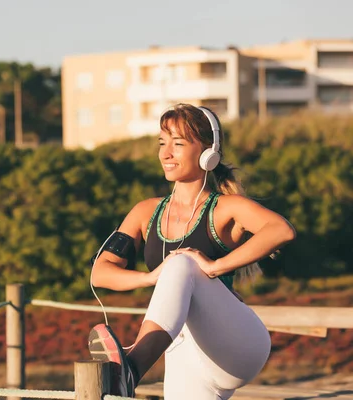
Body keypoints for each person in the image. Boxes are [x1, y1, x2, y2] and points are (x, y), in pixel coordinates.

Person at [87, 103, 297, 399]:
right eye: (162, 143)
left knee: (182, 262)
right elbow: (100, 272)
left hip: (235, 345)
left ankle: (131, 368)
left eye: (178, 143)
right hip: (183, 350)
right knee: (177, 265)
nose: (165, 153)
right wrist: (151, 277)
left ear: (208, 153)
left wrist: (215, 267)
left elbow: (280, 230)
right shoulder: (145, 211)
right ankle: (131, 367)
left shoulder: (226, 208)